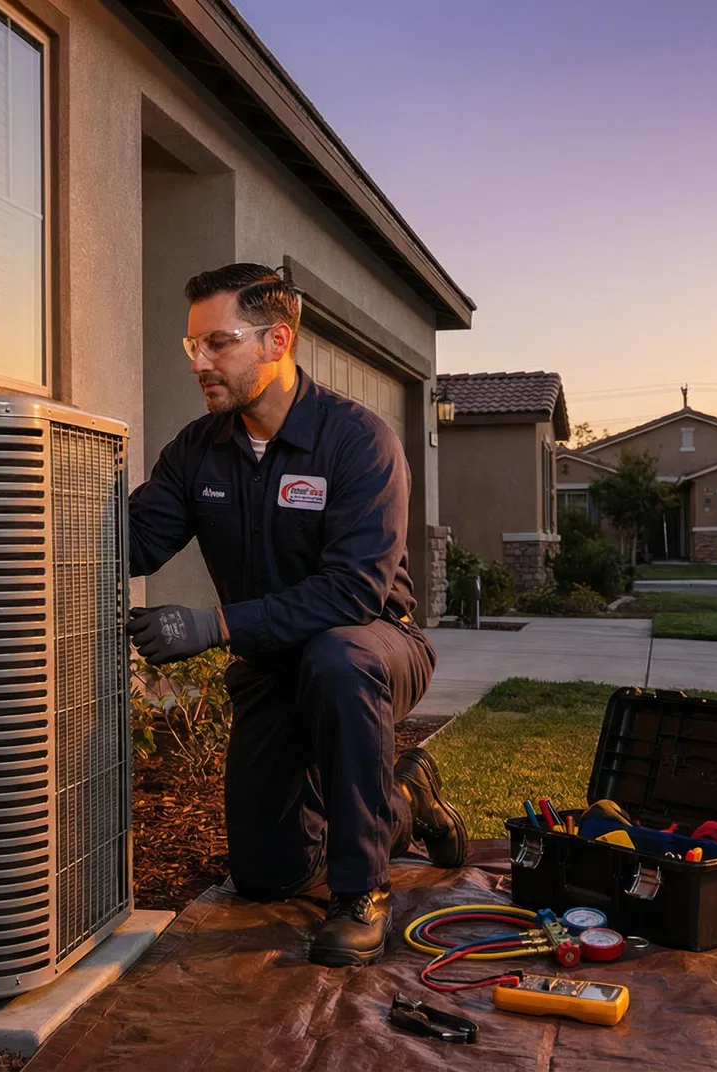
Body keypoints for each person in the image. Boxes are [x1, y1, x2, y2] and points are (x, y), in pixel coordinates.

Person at [127, 262, 468, 966]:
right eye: (191, 345)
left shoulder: (357, 441)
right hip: (273, 666)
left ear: (278, 340)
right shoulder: (199, 451)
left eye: (217, 343)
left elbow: (353, 593)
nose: (199, 361)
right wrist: (25, 515)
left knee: (338, 656)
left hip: (376, 648)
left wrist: (214, 626)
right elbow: (134, 541)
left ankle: (362, 891)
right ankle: (406, 795)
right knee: (264, 877)